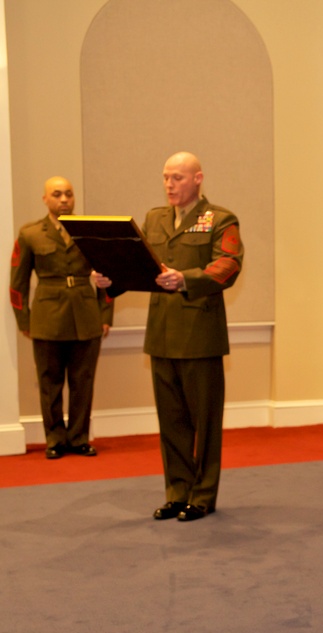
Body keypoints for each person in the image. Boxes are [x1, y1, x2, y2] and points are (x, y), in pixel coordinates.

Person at [97, 152, 243, 522]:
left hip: (200, 333)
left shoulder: (220, 219)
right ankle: (178, 493)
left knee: (204, 422)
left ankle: (203, 495)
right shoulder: (155, 218)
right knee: (172, 422)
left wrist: (186, 278)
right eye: (165, 177)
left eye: (178, 177)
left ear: (198, 179)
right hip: (161, 332)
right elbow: (140, 265)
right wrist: (109, 279)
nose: (169, 184)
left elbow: (228, 265)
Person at [9, 176, 113, 459]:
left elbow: (107, 276)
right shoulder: (30, 233)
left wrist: (105, 315)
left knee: (83, 381)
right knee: (49, 381)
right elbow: (16, 284)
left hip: (85, 315)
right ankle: (54, 438)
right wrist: (24, 321)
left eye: (68, 194)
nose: (64, 199)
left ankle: (78, 437)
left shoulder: (89, 231)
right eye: (57, 194)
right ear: (45, 199)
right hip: (47, 316)